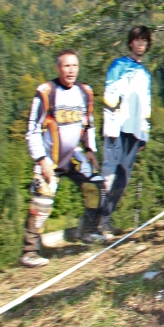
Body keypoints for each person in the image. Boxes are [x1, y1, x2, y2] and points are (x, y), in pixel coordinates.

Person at [21, 49, 105, 268]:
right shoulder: (46, 92)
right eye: (66, 66)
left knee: (95, 186)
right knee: (42, 201)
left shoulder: (85, 92)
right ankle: (30, 251)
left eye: (74, 66)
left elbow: (89, 123)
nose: (71, 70)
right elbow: (32, 129)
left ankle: (89, 231)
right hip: (49, 157)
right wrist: (41, 160)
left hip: (73, 155)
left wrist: (90, 149)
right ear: (58, 68)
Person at [98, 26, 152, 237]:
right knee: (109, 173)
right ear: (130, 42)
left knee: (123, 177)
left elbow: (146, 105)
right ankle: (97, 221)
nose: (141, 43)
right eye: (137, 39)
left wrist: (144, 133)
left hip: (134, 131)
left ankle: (107, 218)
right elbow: (109, 94)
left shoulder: (146, 74)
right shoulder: (118, 65)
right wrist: (110, 125)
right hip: (116, 128)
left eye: (144, 40)